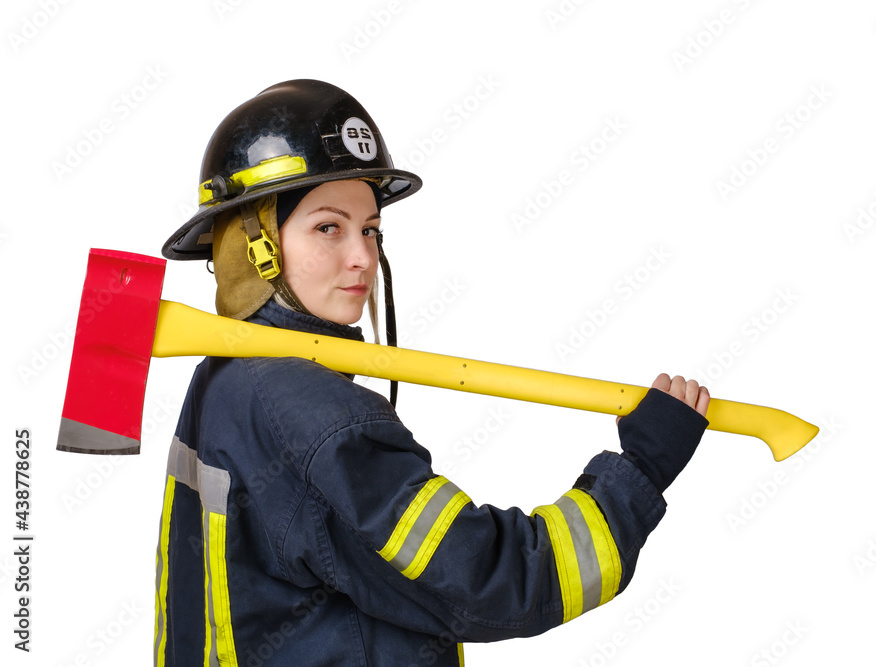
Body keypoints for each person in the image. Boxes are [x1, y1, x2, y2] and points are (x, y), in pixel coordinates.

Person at [155, 79, 710, 667]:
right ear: (253, 246)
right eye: (327, 227)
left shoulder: (226, 378)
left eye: (370, 230)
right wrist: (640, 472)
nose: (362, 258)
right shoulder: (319, 416)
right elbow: (493, 585)